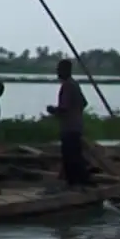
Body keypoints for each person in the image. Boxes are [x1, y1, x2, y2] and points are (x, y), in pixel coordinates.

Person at [45, 58, 93, 188]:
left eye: (59, 70)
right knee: (76, 155)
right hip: (76, 125)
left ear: (66, 71)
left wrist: (52, 110)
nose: (58, 72)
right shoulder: (74, 84)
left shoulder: (67, 85)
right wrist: (76, 112)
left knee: (70, 157)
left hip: (69, 127)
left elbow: (64, 108)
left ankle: (75, 184)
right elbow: (84, 103)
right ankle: (83, 182)